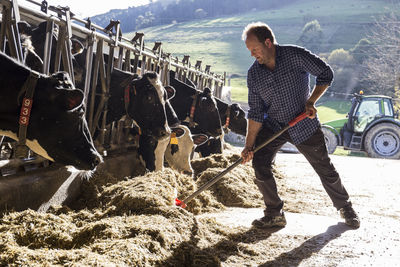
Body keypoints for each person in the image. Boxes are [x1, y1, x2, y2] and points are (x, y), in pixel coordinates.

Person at [240, 22, 360, 229]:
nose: (252, 55)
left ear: (268, 42)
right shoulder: (254, 74)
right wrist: (249, 146)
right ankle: (274, 213)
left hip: (303, 123)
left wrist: (311, 101)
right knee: (260, 163)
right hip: (275, 125)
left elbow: (326, 73)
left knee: (324, 168)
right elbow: (256, 112)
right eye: (249, 51)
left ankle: (345, 207)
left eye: (255, 49)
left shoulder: (295, 56)